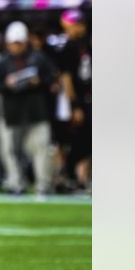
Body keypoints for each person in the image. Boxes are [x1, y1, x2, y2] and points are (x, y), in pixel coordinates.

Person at [0, 21, 60, 197]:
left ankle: (43, 185)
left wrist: (40, 82)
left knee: (41, 147)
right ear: (8, 42)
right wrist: (7, 84)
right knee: (9, 150)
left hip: (35, 109)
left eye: (19, 42)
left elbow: (53, 81)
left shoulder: (39, 58)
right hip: (11, 111)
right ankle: (16, 184)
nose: (16, 46)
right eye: (13, 43)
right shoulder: (2, 62)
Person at [53, 10, 91, 191]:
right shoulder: (68, 47)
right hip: (79, 101)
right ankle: (69, 176)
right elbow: (66, 78)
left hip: (90, 97)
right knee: (78, 140)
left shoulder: (88, 43)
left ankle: (78, 177)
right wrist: (74, 104)